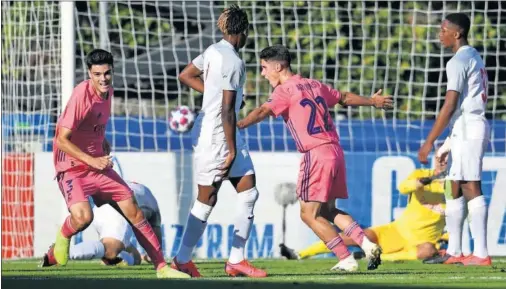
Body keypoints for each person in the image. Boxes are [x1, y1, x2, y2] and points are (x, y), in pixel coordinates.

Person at [237, 45, 393, 271]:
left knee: (308, 215)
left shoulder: (284, 91)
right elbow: (344, 98)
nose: (262, 74)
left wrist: (239, 125)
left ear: (278, 66)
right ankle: (367, 245)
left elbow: (263, 111)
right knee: (328, 210)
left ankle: (345, 259)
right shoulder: (314, 85)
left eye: (264, 68)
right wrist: (372, 101)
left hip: (316, 153)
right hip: (335, 151)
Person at [47, 49, 189, 278]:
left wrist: (102, 140)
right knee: (84, 218)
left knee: (134, 211)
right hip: (72, 168)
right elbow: (62, 140)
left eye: (107, 73)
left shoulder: (108, 92)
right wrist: (92, 159)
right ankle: (63, 235)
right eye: (97, 74)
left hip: (98, 167)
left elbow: (92, 125)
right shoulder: (80, 95)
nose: (103, 78)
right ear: (89, 74)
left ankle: (162, 268)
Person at [172, 4, 266, 278]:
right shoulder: (233, 62)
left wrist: (216, 92)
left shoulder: (214, 50)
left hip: (219, 130)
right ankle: (182, 259)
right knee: (207, 198)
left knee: (249, 191)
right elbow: (226, 111)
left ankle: (236, 260)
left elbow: (186, 75)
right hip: (216, 135)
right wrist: (232, 150)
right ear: (244, 31)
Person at [418, 13, 491, 266]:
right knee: (453, 185)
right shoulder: (474, 55)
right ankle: (455, 251)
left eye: (443, 29)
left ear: (456, 33)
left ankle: (481, 254)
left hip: (470, 125)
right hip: (463, 126)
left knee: (470, 184)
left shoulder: (459, 60)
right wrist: (448, 141)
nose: (440, 34)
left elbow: (449, 105)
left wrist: (429, 141)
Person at [280, 163, 448, 263]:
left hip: (421, 242)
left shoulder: (454, 187)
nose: (443, 162)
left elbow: (462, 217)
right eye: (441, 157)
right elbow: (403, 187)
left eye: (447, 159)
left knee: (427, 250)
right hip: (395, 231)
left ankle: (374, 257)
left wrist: (447, 239)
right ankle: (299, 254)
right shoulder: (422, 174)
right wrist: (421, 183)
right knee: (351, 237)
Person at [41, 181, 160, 267]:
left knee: (134, 258)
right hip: (119, 207)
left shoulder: (141, 195)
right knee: (110, 250)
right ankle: (60, 252)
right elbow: (155, 249)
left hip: (99, 203)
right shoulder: (151, 208)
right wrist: (152, 258)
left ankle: (114, 257)